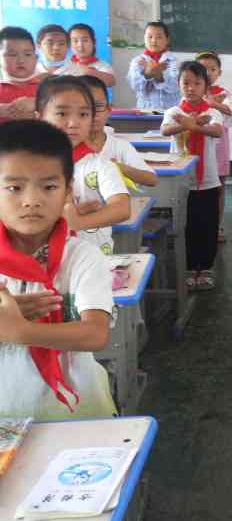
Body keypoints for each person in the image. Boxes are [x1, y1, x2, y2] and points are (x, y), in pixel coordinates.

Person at [0, 119, 117, 419]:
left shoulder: (81, 256)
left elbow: (95, 333)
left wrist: (21, 330)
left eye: (49, 187)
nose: (31, 201)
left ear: (67, 192)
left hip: (76, 412)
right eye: (14, 187)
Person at [35, 77, 130, 256]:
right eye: (62, 114)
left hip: (92, 261)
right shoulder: (26, 166)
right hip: (41, 262)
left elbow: (121, 208)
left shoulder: (99, 165)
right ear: (39, 117)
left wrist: (77, 223)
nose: (73, 123)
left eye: (83, 115)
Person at [161, 61, 224, 290]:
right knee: (185, 226)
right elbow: (165, 130)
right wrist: (189, 123)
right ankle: (188, 268)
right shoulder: (174, 112)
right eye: (186, 83)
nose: (191, 88)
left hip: (207, 181)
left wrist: (193, 125)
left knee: (207, 225)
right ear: (178, 85)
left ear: (205, 86)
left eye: (197, 83)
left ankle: (205, 268)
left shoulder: (212, 111)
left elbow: (217, 130)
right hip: (181, 181)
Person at [79, 76, 158, 188]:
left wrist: (118, 167)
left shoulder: (120, 146)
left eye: (98, 107)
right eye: (84, 109)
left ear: (108, 109)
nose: (93, 114)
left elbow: (152, 179)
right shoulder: (65, 148)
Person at [195, 52, 232, 243]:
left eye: (213, 69)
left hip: (219, 146)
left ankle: (216, 226)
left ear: (219, 72)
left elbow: (230, 110)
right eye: (203, 69)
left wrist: (213, 103)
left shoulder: (223, 93)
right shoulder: (190, 92)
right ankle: (195, 224)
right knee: (196, 187)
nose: (208, 73)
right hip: (197, 144)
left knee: (218, 186)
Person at [126, 21, 181, 110]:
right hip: (145, 110)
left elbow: (175, 86)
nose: (154, 40)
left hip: (170, 111)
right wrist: (148, 73)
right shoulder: (137, 61)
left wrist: (156, 73)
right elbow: (135, 85)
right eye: (150, 36)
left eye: (159, 37)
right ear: (144, 38)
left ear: (167, 40)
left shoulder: (173, 61)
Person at [0, 26, 42, 123]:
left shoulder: (48, 87)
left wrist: (38, 104)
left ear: (36, 58)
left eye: (27, 54)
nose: (21, 60)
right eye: (12, 55)